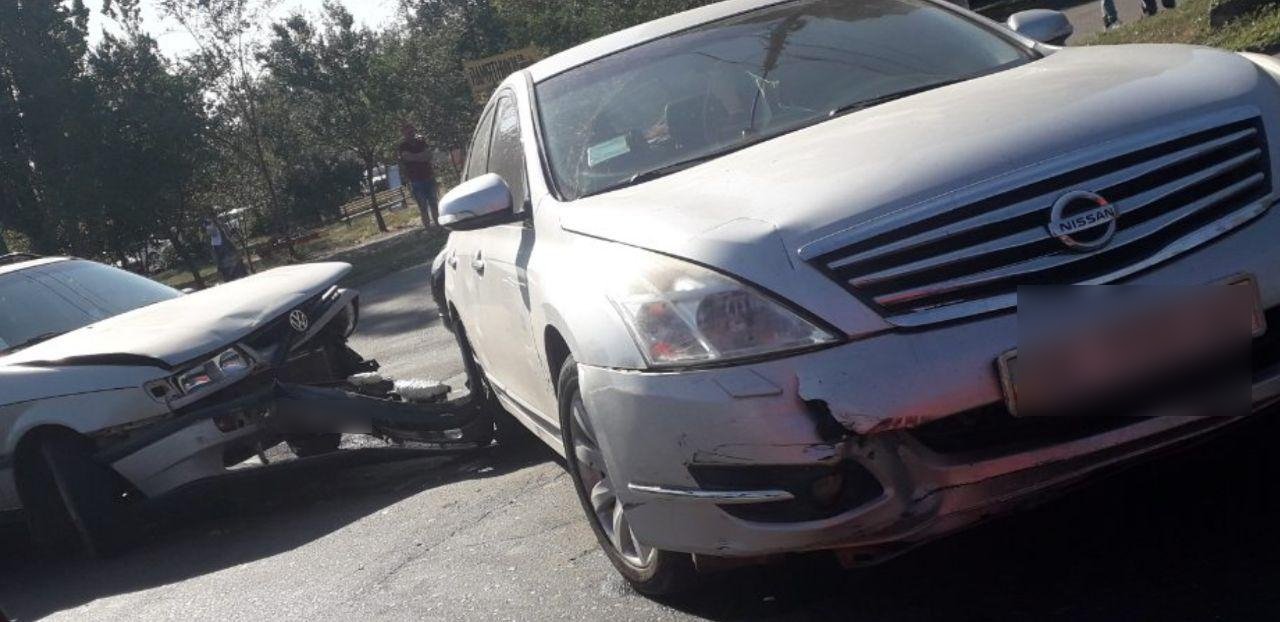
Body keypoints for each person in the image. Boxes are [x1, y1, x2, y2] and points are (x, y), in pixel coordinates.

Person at [398, 123, 439, 227]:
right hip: (416, 181)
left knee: (434, 203)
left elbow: (428, 155)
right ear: (403, 133)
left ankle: (439, 226)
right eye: (407, 132)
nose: (410, 134)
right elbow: (407, 157)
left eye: (411, 131)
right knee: (423, 207)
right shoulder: (403, 146)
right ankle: (428, 228)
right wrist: (421, 156)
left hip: (429, 176)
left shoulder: (421, 142)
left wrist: (415, 157)